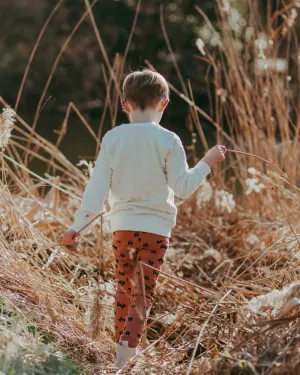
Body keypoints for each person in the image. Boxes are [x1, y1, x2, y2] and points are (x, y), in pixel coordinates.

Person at [62, 69, 226, 368]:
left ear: (124, 104)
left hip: (122, 229)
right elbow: (183, 189)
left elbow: (96, 187)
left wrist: (78, 225)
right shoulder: (169, 140)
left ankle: (120, 350)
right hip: (155, 231)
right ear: (164, 103)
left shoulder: (113, 138)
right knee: (142, 294)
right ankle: (125, 357)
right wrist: (207, 162)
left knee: (124, 289)